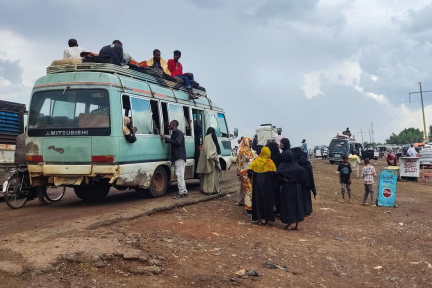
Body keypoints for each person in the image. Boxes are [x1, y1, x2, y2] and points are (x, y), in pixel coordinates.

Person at [276, 150, 307, 230]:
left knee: (288, 204)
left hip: (287, 187)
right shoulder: (296, 166)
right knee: (297, 204)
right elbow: (303, 173)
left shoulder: (282, 165)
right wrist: (296, 180)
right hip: (296, 187)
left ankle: (289, 224)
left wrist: (284, 179)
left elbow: (277, 174)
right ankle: (297, 225)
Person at [14, 133, 48, 204]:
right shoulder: (33, 136)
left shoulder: (19, 137)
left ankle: (26, 192)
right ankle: (41, 199)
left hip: (17, 159)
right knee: (38, 176)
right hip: (27, 159)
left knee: (23, 175)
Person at [248, 147, 276, 225]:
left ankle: (259, 219)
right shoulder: (270, 162)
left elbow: (249, 171)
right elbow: (274, 175)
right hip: (267, 186)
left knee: (258, 200)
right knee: (267, 201)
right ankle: (267, 219)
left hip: (257, 185)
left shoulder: (256, 160)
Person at [160, 120, 187, 199]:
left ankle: (181, 193)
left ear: (174, 125)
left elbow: (177, 142)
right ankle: (184, 192)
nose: (169, 125)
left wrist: (166, 138)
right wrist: (166, 139)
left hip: (179, 157)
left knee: (179, 175)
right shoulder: (174, 134)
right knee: (180, 175)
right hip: (177, 157)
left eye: (170, 124)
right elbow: (173, 141)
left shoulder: (179, 133)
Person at [196, 127, 221, 195]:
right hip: (210, 161)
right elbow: (208, 150)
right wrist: (213, 157)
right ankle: (208, 190)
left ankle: (213, 190)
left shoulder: (208, 138)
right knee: (209, 177)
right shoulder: (208, 137)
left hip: (213, 161)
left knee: (213, 177)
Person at [236, 137, 255, 214]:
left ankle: (248, 205)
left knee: (247, 190)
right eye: (250, 141)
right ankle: (248, 207)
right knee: (248, 190)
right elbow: (247, 161)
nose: (251, 143)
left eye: (251, 141)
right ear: (246, 142)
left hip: (248, 172)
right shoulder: (243, 151)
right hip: (245, 173)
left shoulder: (249, 150)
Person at [296, 150, 317, 216]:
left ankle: (304, 210)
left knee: (303, 197)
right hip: (307, 183)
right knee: (306, 197)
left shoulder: (299, 161)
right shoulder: (306, 162)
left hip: (302, 183)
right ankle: (308, 210)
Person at [267, 141, 283, 215]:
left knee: (276, 194)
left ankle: (277, 210)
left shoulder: (273, 157)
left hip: (275, 177)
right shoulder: (278, 155)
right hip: (276, 178)